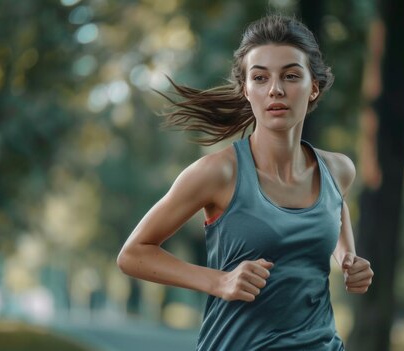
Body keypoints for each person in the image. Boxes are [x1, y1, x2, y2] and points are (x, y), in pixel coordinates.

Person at [117, 14, 373, 350]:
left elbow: (336, 208)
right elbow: (133, 254)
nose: (276, 89)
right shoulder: (217, 174)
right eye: (260, 77)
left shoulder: (338, 170)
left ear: (314, 87)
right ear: (246, 89)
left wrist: (347, 258)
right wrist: (219, 281)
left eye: (291, 76)